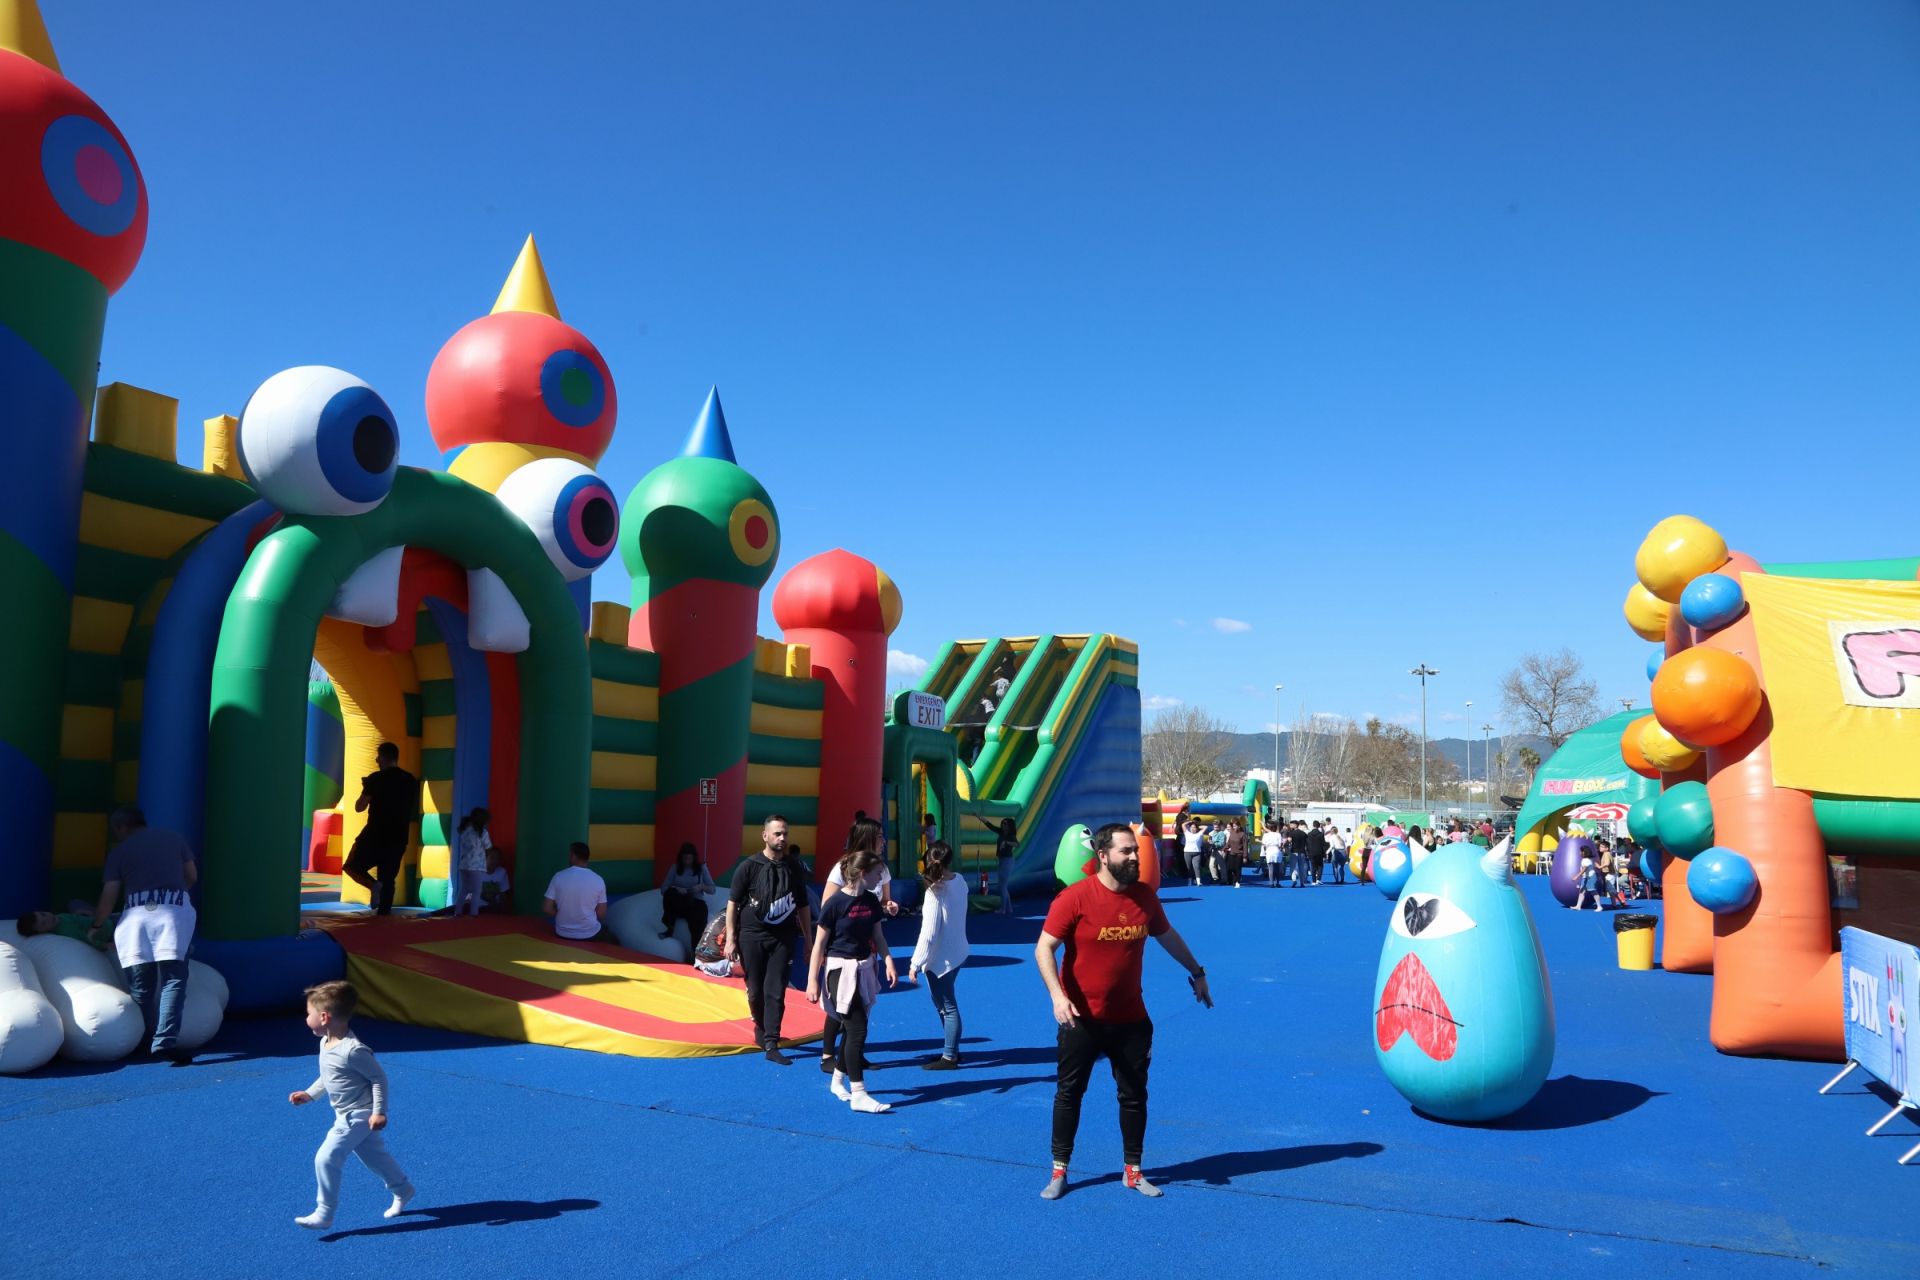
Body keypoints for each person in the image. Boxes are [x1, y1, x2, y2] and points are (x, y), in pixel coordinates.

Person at [1035, 823, 1212, 1201]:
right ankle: (1059, 1170)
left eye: (1135, 850)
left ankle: (1133, 1170)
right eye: (1126, 851)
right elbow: (1044, 948)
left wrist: (1197, 972)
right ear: (1103, 856)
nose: (1135, 857)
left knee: (1133, 1095)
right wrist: (1057, 995)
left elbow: (1168, 937)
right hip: (1080, 1019)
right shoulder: (1074, 898)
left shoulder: (1145, 898)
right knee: (1069, 1093)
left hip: (1131, 1019)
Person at [289, 979, 415, 1230]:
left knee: (326, 1157)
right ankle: (403, 1189)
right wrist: (310, 1094)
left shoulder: (353, 1050)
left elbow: (378, 1079)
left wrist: (379, 1112)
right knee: (375, 1158)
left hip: (358, 1115)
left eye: (308, 1014)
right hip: (343, 1113)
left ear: (323, 1017)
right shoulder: (326, 1042)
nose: (306, 1019)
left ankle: (324, 1212)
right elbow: (329, 1076)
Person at [90, 806, 196, 1065]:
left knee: (141, 986)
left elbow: (109, 896)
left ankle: (140, 1038)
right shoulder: (173, 839)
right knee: (173, 979)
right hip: (172, 914)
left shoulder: (119, 852)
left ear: (120, 828)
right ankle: (164, 1040)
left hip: (135, 920)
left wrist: (96, 925)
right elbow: (191, 876)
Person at [806, 848, 897, 1113]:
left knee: (854, 1027)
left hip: (864, 967)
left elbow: (877, 936)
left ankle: (837, 1081)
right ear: (862, 873)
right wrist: (813, 980)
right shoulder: (835, 904)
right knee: (857, 1029)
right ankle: (859, 1093)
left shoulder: (870, 900)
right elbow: (819, 944)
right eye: (878, 873)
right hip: (839, 970)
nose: (882, 877)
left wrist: (888, 959)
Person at [725, 815, 814, 1063]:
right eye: (777, 834)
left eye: (785, 833)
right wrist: (731, 938)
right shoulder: (749, 867)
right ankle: (760, 1027)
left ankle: (772, 1041)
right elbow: (732, 904)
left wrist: (808, 940)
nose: (782, 838)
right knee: (755, 990)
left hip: (782, 938)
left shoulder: (794, 867)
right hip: (751, 936)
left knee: (776, 989)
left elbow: (803, 906)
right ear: (765, 836)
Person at [817, 817, 897, 1072]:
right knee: (839, 1005)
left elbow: (882, 900)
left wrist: (888, 906)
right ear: (868, 838)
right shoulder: (843, 868)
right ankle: (828, 1054)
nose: (883, 842)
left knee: (863, 1002)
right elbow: (827, 907)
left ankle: (855, 1052)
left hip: (867, 943)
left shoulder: (881, 869)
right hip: (842, 946)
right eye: (880, 837)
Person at [912, 839, 970, 1069]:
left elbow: (929, 934)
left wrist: (915, 962)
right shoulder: (960, 881)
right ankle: (951, 1048)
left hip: (941, 958)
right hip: (957, 951)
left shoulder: (934, 893)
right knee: (943, 1003)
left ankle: (950, 1056)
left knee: (947, 1006)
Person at [342, 742, 419, 915]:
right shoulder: (409, 780)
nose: (377, 760)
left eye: (378, 756)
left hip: (375, 834)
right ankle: (384, 916)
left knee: (352, 866)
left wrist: (366, 787)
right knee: (388, 879)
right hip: (399, 835)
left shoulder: (375, 779)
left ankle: (373, 885)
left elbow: (359, 807)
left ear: (383, 757)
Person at [543, 842, 610, 941]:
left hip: (562, 933)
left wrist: (562, 914)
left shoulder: (558, 877)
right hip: (589, 934)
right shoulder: (598, 880)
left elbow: (547, 908)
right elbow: (601, 913)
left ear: (573, 856)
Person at [659, 842, 717, 942]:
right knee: (670, 892)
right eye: (685, 859)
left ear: (694, 858)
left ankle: (697, 950)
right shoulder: (675, 868)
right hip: (680, 902)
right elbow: (663, 889)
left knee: (698, 920)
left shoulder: (701, 868)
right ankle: (669, 927)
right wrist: (676, 888)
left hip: (695, 901)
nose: (687, 862)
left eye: (689, 859)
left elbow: (712, 889)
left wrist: (701, 887)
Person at [450, 808, 491, 917]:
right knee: (477, 891)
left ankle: (457, 912)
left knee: (464, 889)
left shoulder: (465, 831)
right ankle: (474, 913)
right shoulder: (482, 833)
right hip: (477, 867)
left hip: (464, 865)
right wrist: (486, 858)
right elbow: (488, 847)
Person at [17, 907, 114, 948]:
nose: (48, 918)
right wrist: (105, 945)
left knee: (74, 903)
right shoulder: (65, 931)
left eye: (43, 914)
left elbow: (72, 919)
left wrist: (78, 915)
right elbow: (86, 939)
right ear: (42, 932)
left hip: (101, 919)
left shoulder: (58, 917)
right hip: (110, 928)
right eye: (44, 924)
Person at [979, 816, 1020, 914]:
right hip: (1002, 860)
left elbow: (1017, 844)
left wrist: (1007, 842)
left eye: (1006, 824)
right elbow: (990, 826)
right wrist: (979, 817)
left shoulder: (1011, 835)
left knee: (1002, 886)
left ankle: (1003, 909)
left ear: (1010, 826)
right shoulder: (1001, 832)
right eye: (1003, 823)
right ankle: (1009, 908)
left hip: (1007, 861)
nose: (1003, 825)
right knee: (1003, 886)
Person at [478, 847, 511, 912]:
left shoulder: (502, 872)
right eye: (492, 858)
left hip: (493, 908)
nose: (495, 861)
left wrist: (502, 910)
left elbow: (503, 894)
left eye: (497, 858)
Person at [1179, 818, 1206, 885]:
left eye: (1194, 828)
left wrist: (1197, 825)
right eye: (1191, 827)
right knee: (1189, 867)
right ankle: (1190, 879)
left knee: (1196, 867)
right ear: (1189, 828)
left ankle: (1198, 881)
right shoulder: (1187, 833)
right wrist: (1191, 821)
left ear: (1196, 829)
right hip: (1187, 852)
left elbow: (1205, 827)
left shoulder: (1199, 834)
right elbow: (1183, 825)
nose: (1193, 829)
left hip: (1197, 853)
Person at [1223, 820, 1248, 889]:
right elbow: (1229, 843)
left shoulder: (1243, 834)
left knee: (1238, 869)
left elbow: (1245, 846)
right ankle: (1235, 879)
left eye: (1235, 826)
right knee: (1230, 868)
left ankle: (1237, 882)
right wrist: (1225, 848)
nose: (1233, 827)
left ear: (1239, 826)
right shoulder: (1232, 833)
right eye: (1233, 826)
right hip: (1232, 853)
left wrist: (1245, 857)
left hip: (1239, 854)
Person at [1259, 822, 1284, 887]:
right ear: (1276, 828)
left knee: (1270, 868)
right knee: (1277, 868)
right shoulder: (1278, 834)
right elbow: (1280, 844)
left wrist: (1265, 851)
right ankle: (1277, 882)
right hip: (1276, 850)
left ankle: (1271, 883)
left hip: (1269, 850)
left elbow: (1264, 844)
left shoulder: (1266, 835)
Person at [1306, 820, 1328, 885]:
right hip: (1319, 852)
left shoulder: (1309, 834)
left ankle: (1313, 881)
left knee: (1313, 866)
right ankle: (1318, 879)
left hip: (1311, 852)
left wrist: (1308, 852)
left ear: (1313, 825)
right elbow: (1323, 844)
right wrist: (1324, 853)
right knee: (1320, 866)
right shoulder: (1321, 834)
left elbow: (1307, 844)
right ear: (1319, 826)